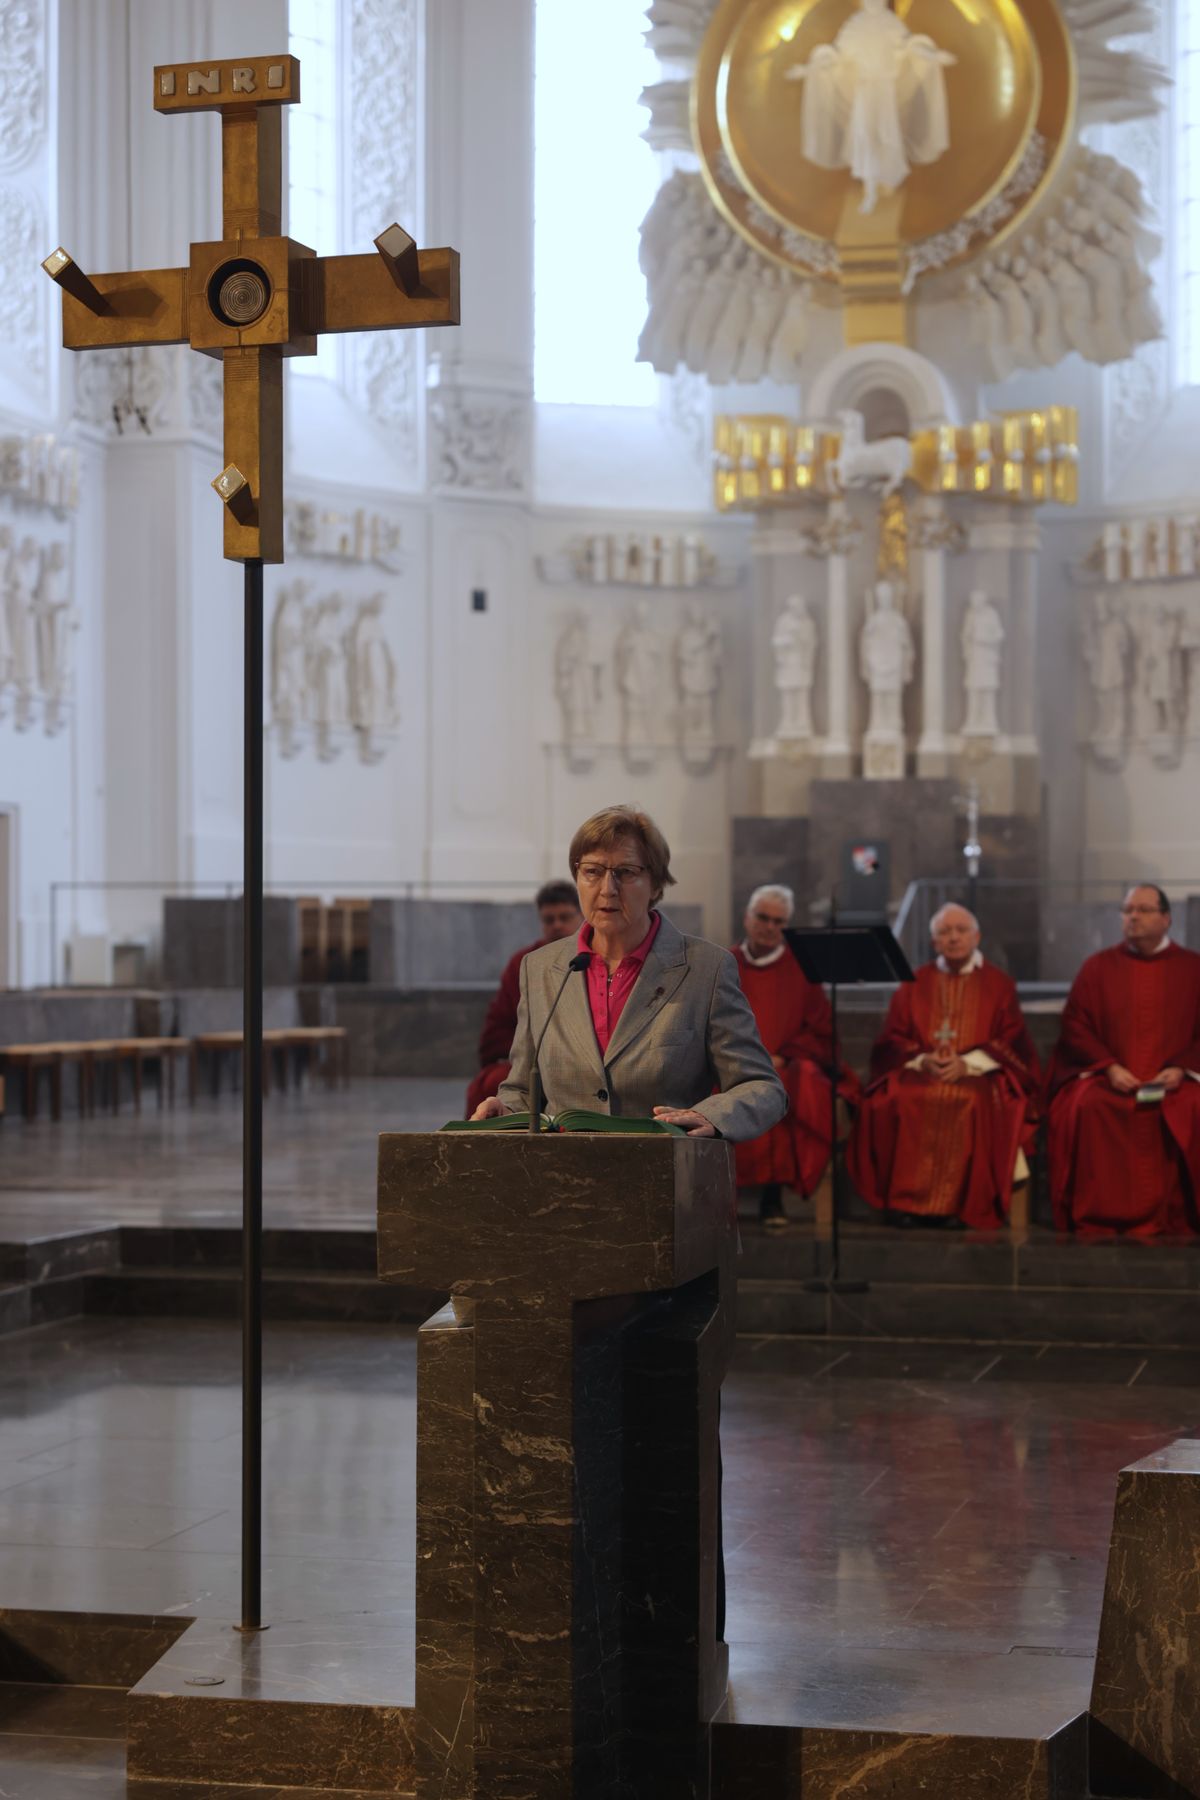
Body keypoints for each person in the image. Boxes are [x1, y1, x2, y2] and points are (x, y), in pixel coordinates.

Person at [470, 804, 787, 1139]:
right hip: (561, 1179)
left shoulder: (706, 969)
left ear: (655, 883)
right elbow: (522, 1088)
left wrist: (709, 1116)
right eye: (592, 871)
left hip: (665, 1174)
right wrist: (506, 1111)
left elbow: (762, 1086)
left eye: (625, 872)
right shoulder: (540, 968)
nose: (607, 889)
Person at [847, 904, 1039, 1229]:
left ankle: (961, 1206)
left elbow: (1012, 1040)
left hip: (978, 1074)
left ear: (976, 936)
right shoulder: (914, 982)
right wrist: (923, 1059)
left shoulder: (999, 984)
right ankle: (906, 1204)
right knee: (900, 1098)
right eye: (944, 932)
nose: (953, 938)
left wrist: (968, 1063)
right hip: (922, 1069)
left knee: (972, 1101)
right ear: (934, 942)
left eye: (961, 930)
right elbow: (891, 1038)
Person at [1047, 885, 1200, 1239]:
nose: (1133, 917)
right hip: (1113, 1078)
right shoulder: (1098, 967)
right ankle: (1101, 1214)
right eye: (1128, 910)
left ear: (1166, 919)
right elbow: (1075, 1025)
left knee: (1192, 1107)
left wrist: (1181, 1069)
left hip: (1176, 1082)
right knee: (1089, 1106)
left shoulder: (1193, 969)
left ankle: (1181, 1214)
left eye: (1144, 910)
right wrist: (1109, 1067)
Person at [731, 884, 859, 1231]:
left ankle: (772, 1195)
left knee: (789, 1090)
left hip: (782, 1067)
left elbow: (820, 1032)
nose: (769, 927)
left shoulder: (803, 970)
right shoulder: (724, 964)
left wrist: (785, 1056)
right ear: (747, 917)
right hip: (730, 1066)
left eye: (778, 921)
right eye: (763, 917)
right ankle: (717, 1198)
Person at [464, 881, 582, 1119]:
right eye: (549, 920)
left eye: (565, 917)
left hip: (578, 1060)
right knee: (490, 1085)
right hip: (530, 1059)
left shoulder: (588, 959)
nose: (557, 925)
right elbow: (499, 1026)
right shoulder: (524, 963)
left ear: (581, 916)